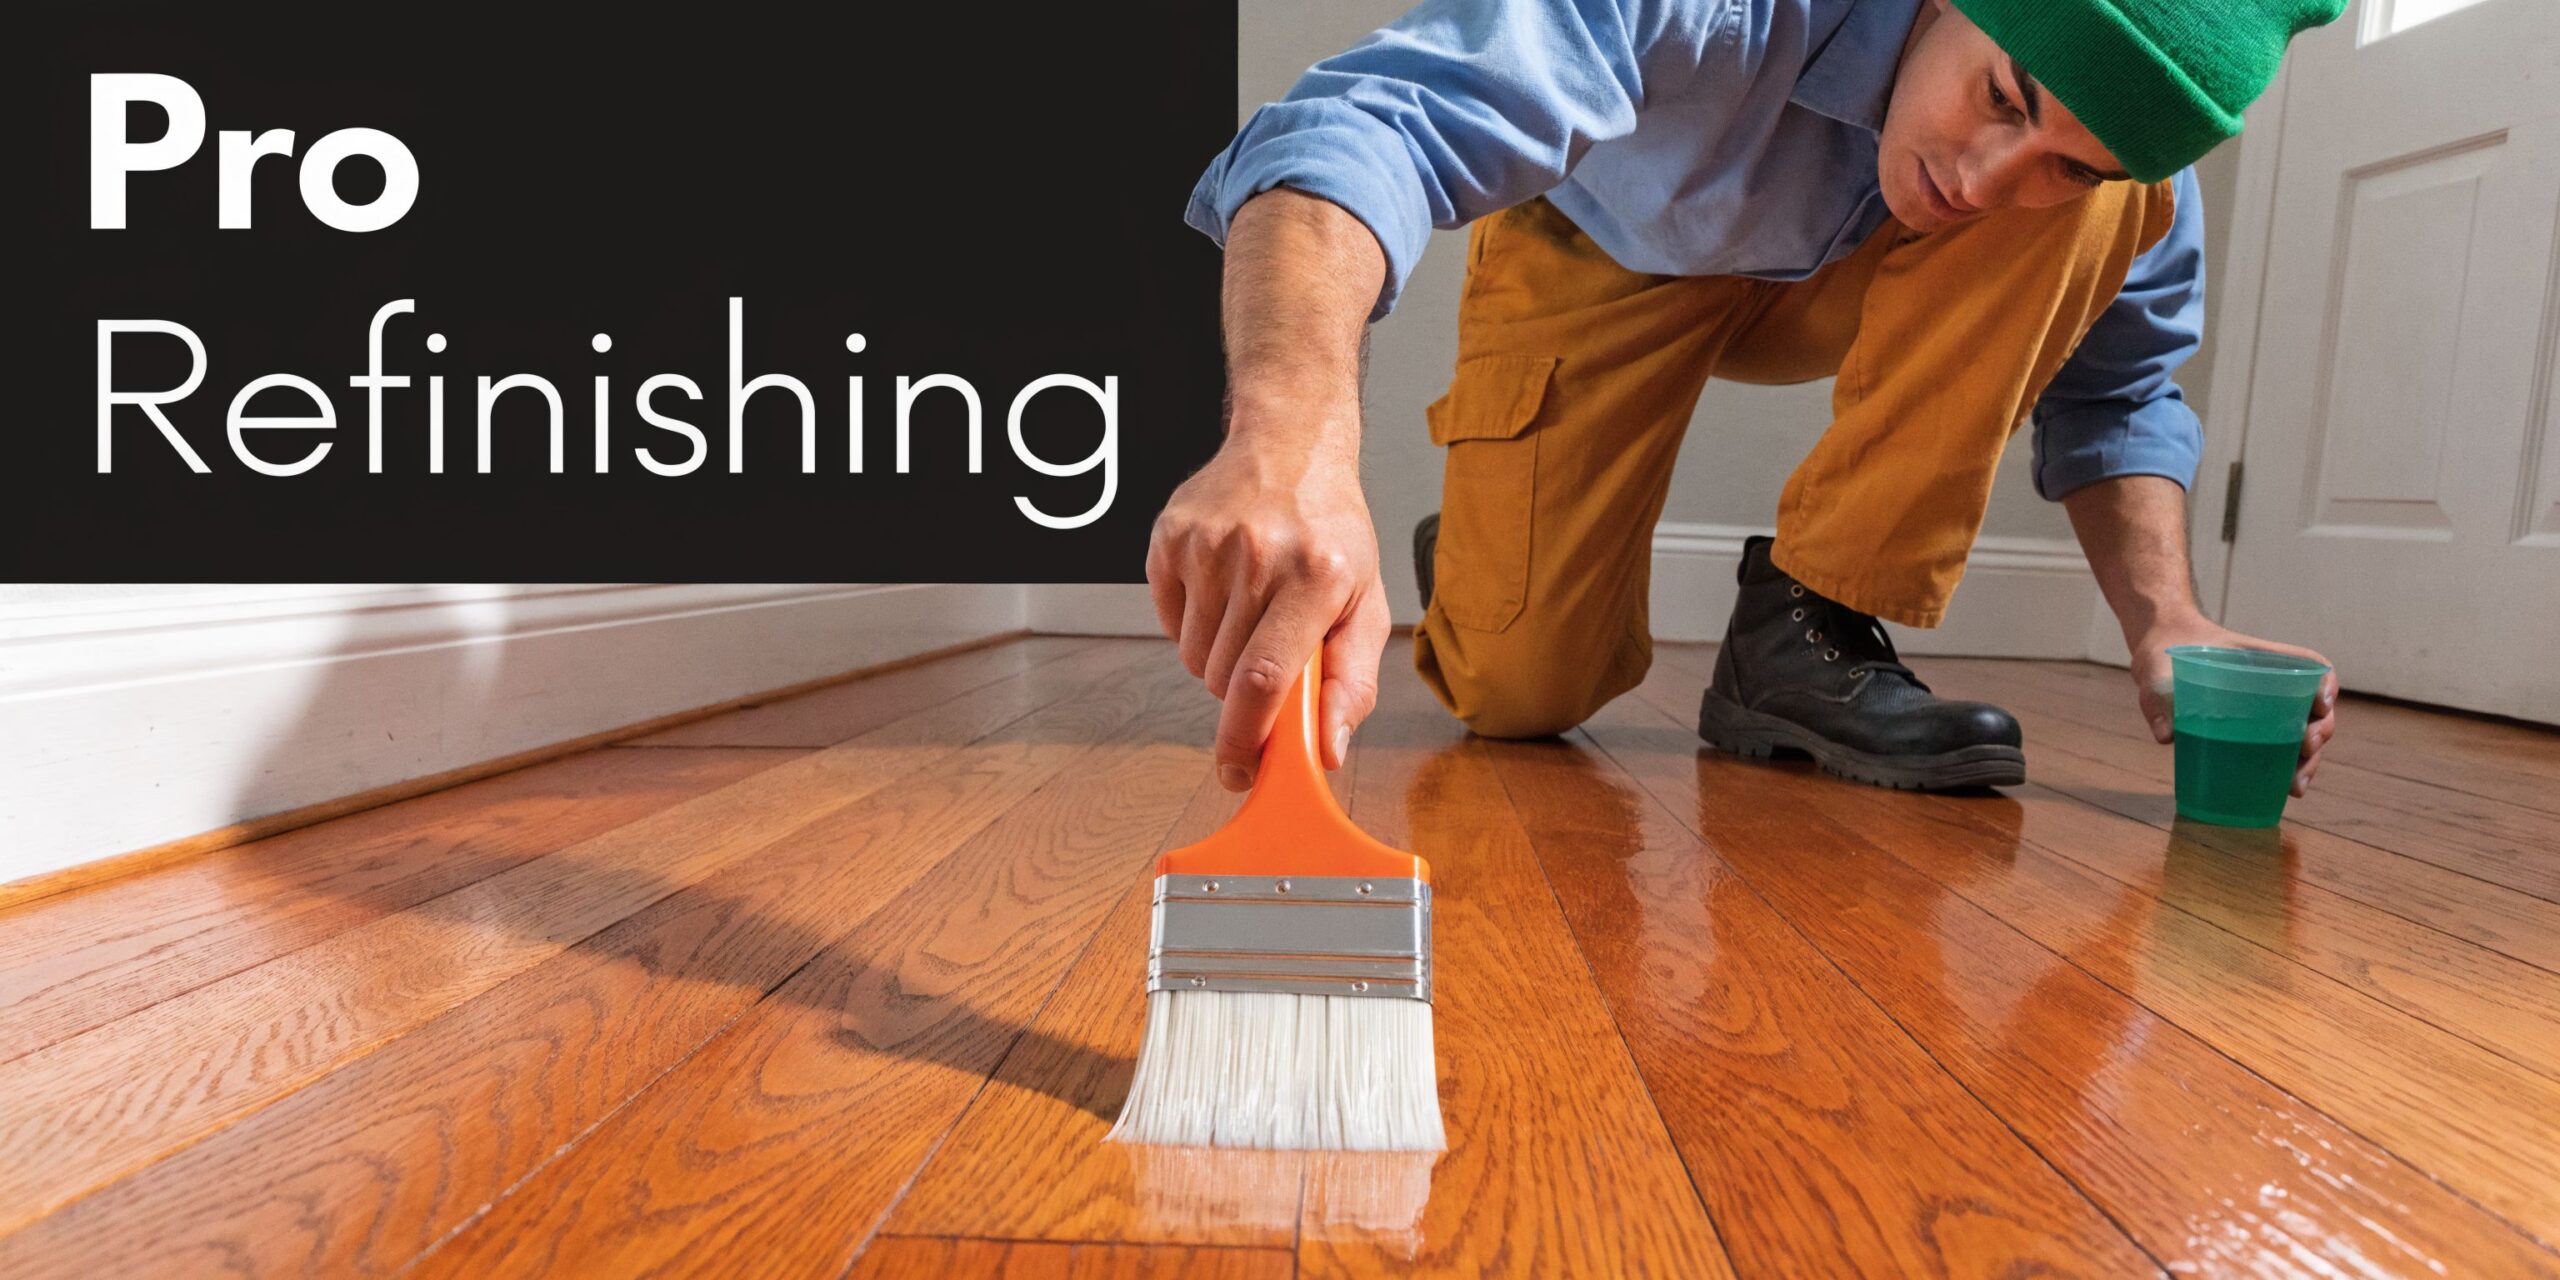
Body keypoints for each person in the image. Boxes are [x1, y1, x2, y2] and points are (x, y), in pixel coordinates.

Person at [1148, 0, 2346, 794]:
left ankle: (1809, 621)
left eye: (2062, 155)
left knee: (2111, 208)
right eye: (2001, 95)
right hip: (1600, 248)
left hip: (1846, 272)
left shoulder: (2075, 182)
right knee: (1522, 695)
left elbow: (2117, 384)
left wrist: (2164, 623)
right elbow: (1364, 124)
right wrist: (1289, 437)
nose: (1987, 179)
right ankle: (1484, 555)